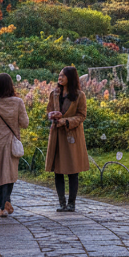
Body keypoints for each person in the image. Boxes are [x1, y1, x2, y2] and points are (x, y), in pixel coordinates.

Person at [44, 65, 89, 212]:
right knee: (58, 170)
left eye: (63, 75)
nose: (60, 77)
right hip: (57, 134)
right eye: (59, 75)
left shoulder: (79, 95)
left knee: (72, 169)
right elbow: (49, 109)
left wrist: (66, 121)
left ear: (70, 77)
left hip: (71, 136)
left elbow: (82, 115)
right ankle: (61, 202)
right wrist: (51, 115)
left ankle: (72, 203)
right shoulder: (54, 93)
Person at [0, 73, 28, 217]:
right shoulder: (18, 102)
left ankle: (3, 205)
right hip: (11, 143)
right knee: (9, 174)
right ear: (11, 85)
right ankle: (4, 203)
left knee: (1, 174)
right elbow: (25, 123)